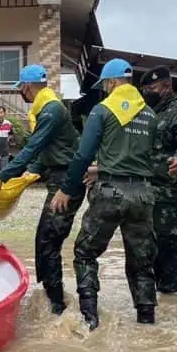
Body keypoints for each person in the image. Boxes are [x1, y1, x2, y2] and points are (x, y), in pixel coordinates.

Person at [50, 58, 158, 329]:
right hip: (144, 194)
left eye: (106, 85)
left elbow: (83, 154)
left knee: (85, 253)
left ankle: (90, 320)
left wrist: (66, 189)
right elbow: (149, 158)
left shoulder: (102, 111)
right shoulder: (150, 115)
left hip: (110, 193)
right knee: (141, 259)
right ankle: (147, 319)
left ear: (111, 82)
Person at [0, 65, 82, 316]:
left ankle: (57, 306)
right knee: (46, 240)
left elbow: (32, 148)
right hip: (60, 178)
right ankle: (52, 299)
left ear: (26, 87)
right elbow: (48, 150)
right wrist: (30, 173)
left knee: (47, 241)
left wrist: (1, 177)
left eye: (21, 89)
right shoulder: (49, 106)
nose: (21, 94)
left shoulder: (50, 111)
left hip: (66, 183)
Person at [140, 66, 177, 294]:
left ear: (166, 87)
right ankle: (159, 308)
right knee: (148, 250)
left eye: (152, 88)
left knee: (168, 251)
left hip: (170, 197)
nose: (148, 93)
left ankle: (172, 300)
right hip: (147, 194)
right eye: (145, 89)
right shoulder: (147, 114)